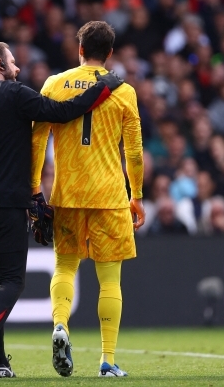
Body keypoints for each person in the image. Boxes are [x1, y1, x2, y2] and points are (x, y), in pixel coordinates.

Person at [0, 40, 124, 380]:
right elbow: (63, 112)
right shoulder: (14, 95)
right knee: (12, 281)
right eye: (12, 62)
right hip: (6, 202)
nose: (18, 69)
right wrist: (103, 87)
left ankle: (0, 363)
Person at [30, 21, 145, 378]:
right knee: (110, 280)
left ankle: (60, 325)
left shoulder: (54, 84)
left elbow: (36, 140)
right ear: (110, 53)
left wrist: (35, 187)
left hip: (67, 193)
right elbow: (135, 152)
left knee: (65, 267)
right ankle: (107, 360)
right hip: (110, 196)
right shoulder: (123, 91)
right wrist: (137, 195)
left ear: (79, 49)